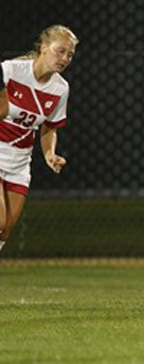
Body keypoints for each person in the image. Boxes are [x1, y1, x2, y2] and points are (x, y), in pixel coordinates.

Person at [0, 24, 77, 253]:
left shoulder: (60, 89)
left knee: (5, 232)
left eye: (70, 54)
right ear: (43, 47)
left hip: (19, 163)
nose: (65, 58)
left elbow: (49, 128)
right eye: (60, 50)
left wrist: (50, 154)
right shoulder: (11, 70)